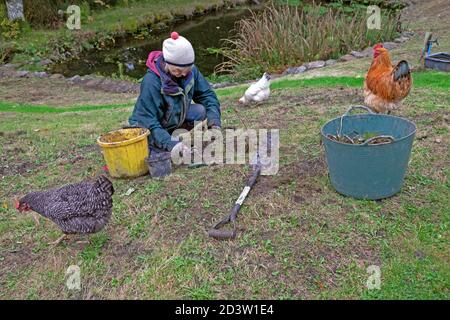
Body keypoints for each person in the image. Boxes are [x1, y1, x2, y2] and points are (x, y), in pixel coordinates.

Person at [128, 31, 222, 155]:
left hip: (173, 118)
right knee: (154, 148)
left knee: (200, 111)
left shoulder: (191, 71)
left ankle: (176, 138)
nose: (183, 74)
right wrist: (171, 145)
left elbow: (207, 95)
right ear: (168, 63)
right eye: (178, 70)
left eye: (186, 70)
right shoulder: (151, 82)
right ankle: (167, 141)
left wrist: (214, 122)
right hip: (146, 124)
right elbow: (147, 120)